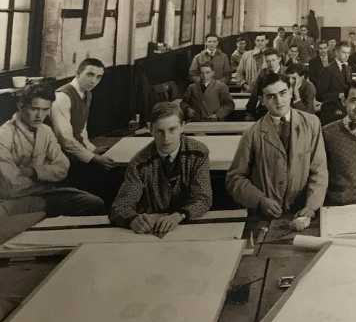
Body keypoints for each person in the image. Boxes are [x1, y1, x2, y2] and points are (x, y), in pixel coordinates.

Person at [226, 71, 328, 228]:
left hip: (303, 213)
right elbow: (235, 178)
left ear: (291, 93)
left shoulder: (312, 123)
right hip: (266, 216)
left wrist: (311, 206)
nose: (279, 101)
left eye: (283, 93)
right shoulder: (252, 133)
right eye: (271, 96)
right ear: (262, 101)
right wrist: (260, 200)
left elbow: (319, 170)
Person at [0, 83, 104, 217]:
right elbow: (11, 186)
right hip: (14, 198)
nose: (39, 115)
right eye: (34, 109)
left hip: (46, 192)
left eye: (45, 110)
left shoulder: (45, 131)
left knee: (95, 203)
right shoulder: (4, 135)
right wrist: (47, 176)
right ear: (20, 106)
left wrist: (34, 171)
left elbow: (63, 167)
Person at [110, 102, 212, 235]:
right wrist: (132, 219)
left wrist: (178, 216)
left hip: (187, 225)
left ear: (182, 127)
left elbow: (203, 198)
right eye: (159, 131)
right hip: (151, 231)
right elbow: (121, 206)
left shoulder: (198, 153)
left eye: (172, 129)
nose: (166, 138)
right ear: (150, 129)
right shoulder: (138, 163)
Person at [50, 58, 115, 203]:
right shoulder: (62, 97)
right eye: (90, 74)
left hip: (77, 153)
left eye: (99, 77)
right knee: (103, 177)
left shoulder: (87, 93)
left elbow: (81, 130)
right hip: (60, 158)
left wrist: (93, 149)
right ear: (78, 73)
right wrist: (93, 157)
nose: (94, 81)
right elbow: (65, 139)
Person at [319, 41, 352, 124]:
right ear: (336, 52)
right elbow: (320, 95)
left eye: (348, 53)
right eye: (344, 52)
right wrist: (338, 95)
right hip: (331, 110)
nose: (346, 55)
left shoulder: (348, 68)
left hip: (345, 109)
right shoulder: (327, 70)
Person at [246, 49, 285, 118]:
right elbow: (254, 94)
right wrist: (249, 112)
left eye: (273, 60)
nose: (271, 64)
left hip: (283, 107)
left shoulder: (286, 73)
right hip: (266, 108)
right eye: (268, 61)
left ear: (279, 59)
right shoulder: (263, 73)